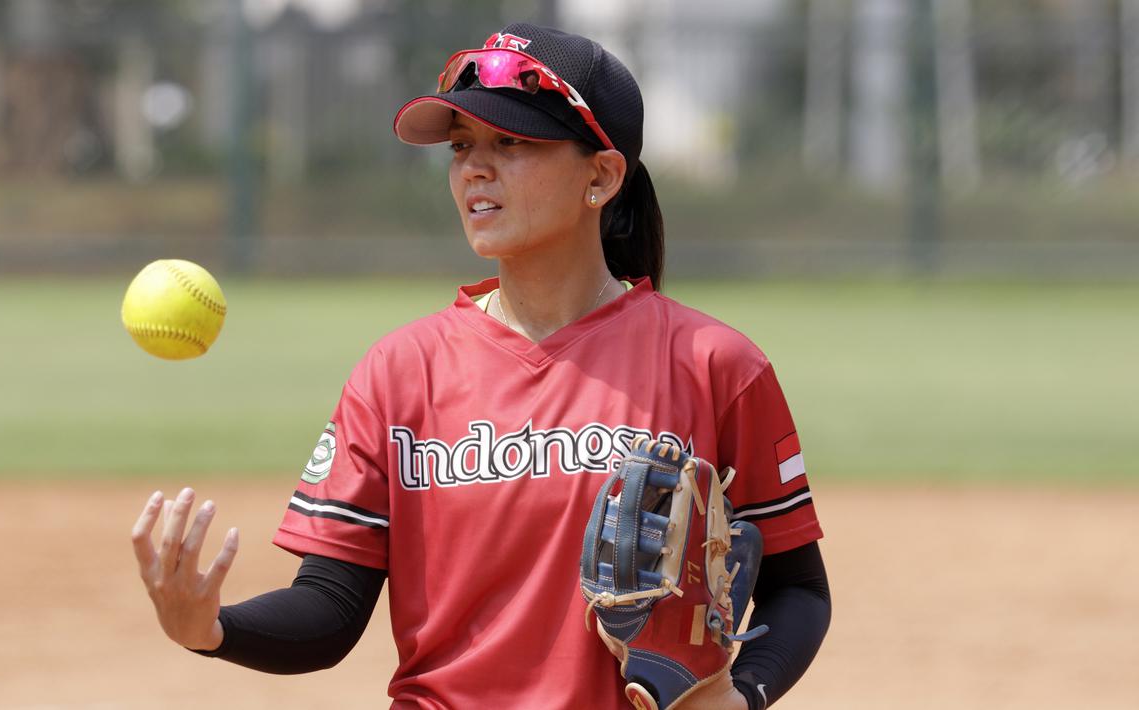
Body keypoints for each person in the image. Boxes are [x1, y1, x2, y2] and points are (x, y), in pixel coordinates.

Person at [131, 23, 830, 710]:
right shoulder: (400, 371)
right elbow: (329, 607)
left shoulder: (713, 365)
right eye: (461, 146)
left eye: (512, 142)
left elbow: (798, 587)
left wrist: (742, 695)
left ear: (601, 175)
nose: (473, 168)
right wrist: (212, 629)